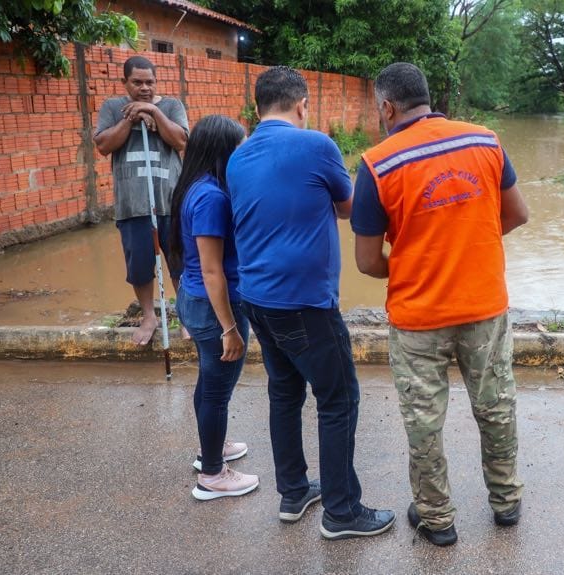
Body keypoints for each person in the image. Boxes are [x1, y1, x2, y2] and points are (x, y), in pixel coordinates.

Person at [352, 62, 529, 547]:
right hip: (484, 307)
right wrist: (471, 244)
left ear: (388, 107)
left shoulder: (376, 164)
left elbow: (367, 262)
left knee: (424, 421)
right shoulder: (485, 141)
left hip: (418, 319)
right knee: (495, 406)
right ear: (427, 98)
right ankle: (507, 503)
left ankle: (438, 519)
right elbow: (517, 214)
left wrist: (414, 263)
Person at [226, 66, 395, 539]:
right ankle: (342, 512)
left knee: (284, 393)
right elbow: (348, 208)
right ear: (302, 105)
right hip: (303, 302)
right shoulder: (316, 145)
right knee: (338, 398)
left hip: (257, 299)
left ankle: (294, 491)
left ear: (258, 106)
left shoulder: (237, 158)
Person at [168, 115, 258, 501]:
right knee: (217, 391)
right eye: (239, 147)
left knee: (208, 382)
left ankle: (211, 448)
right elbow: (211, 269)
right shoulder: (211, 198)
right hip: (212, 307)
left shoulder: (198, 187)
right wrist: (229, 328)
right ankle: (212, 476)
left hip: (195, 301)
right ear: (223, 151)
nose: (244, 153)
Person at [94, 55, 189, 346]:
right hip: (132, 205)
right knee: (139, 266)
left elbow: (182, 141)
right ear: (125, 83)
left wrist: (154, 113)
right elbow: (103, 145)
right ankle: (149, 316)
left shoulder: (172, 106)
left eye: (150, 82)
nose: (144, 87)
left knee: (180, 264)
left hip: (170, 201)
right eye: (137, 82)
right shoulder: (113, 108)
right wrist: (131, 118)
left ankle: (186, 315)